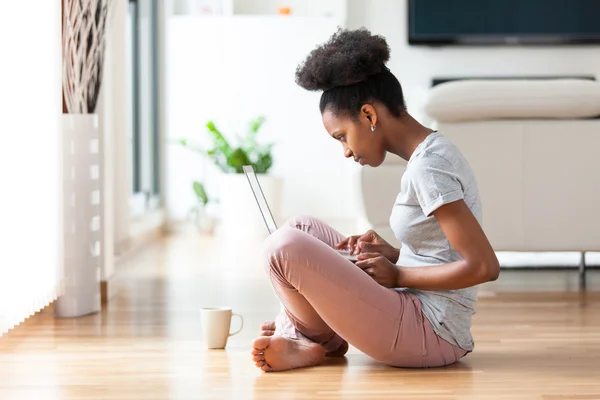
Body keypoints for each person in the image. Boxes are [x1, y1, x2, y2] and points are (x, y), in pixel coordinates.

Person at [250, 28, 500, 372]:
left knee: (282, 246)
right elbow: (445, 252)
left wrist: (397, 275)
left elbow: (484, 267)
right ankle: (310, 335)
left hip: (431, 331)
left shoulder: (431, 166)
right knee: (301, 228)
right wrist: (394, 255)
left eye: (342, 137)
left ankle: (305, 335)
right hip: (412, 308)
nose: (346, 151)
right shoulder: (428, 155)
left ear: (369, 116)